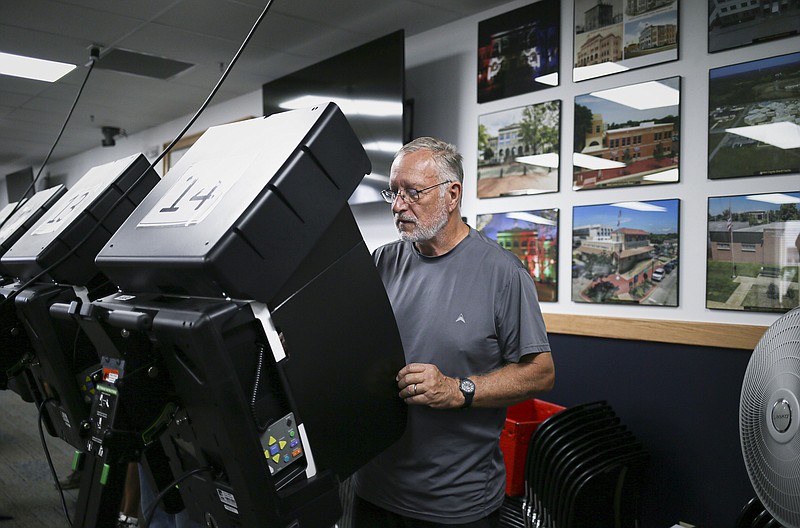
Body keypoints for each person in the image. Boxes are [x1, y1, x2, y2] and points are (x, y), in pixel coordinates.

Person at [352, 137, 555, 527]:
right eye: (393, 193)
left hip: (455, 505)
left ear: (452, 194)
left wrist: (457, 389)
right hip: (374, 490)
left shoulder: (503, 274)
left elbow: (541, 373)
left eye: (413, 193)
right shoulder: (382, 262)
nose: (398, 206)